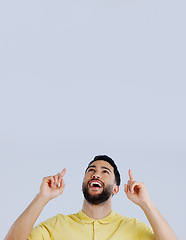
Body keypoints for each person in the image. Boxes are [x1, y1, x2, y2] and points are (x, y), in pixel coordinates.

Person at [4, 155, 178, 240]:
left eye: (105, 172)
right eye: (91, 171)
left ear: (116, 189)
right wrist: (42, 197)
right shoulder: (56, 226)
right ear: (82, 185)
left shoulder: (134, 228)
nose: (96, 175)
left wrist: (146, 203)